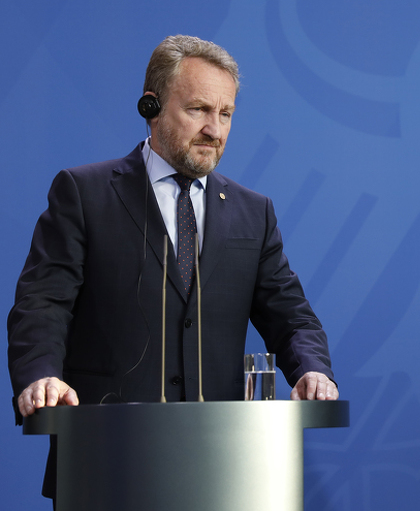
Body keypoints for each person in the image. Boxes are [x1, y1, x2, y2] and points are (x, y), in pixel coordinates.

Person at [7, 35, 338, 501]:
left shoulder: (253, 211)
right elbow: (43, 303)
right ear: (152, 106)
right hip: (105, 464)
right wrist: (40, 374)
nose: (215, 130)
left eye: (226, 114)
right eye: (199, 110)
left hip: (227, 469)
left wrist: (312, 369)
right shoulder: (84, 193)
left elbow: (291, 315)